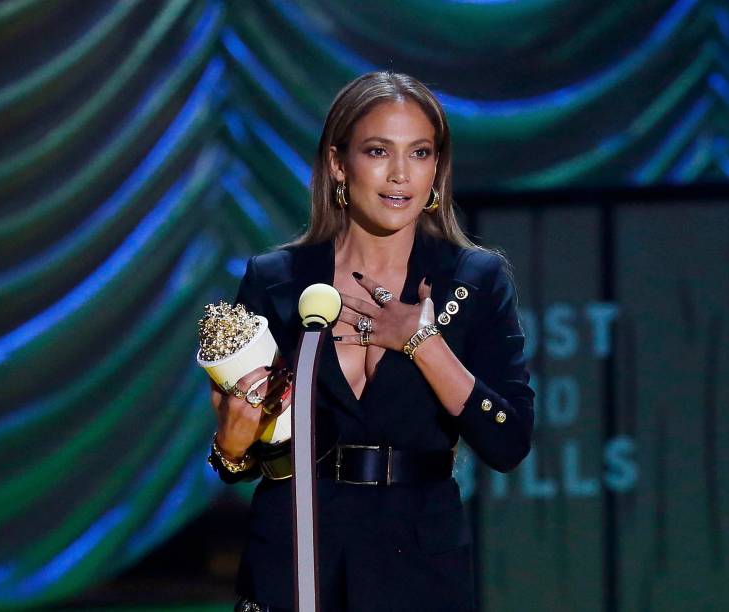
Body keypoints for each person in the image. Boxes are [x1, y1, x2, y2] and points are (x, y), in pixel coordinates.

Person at [207, 71, 535, 612]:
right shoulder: (276, 281)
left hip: (417, 568)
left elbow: (509, 443)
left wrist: (423, 343)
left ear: (437, 170)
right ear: (339, 163)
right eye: (379, 151)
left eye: (421, 152)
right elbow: (238, 461)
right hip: (295, 562)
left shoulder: (474, 279)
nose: (400, 175)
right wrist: (233, 442)